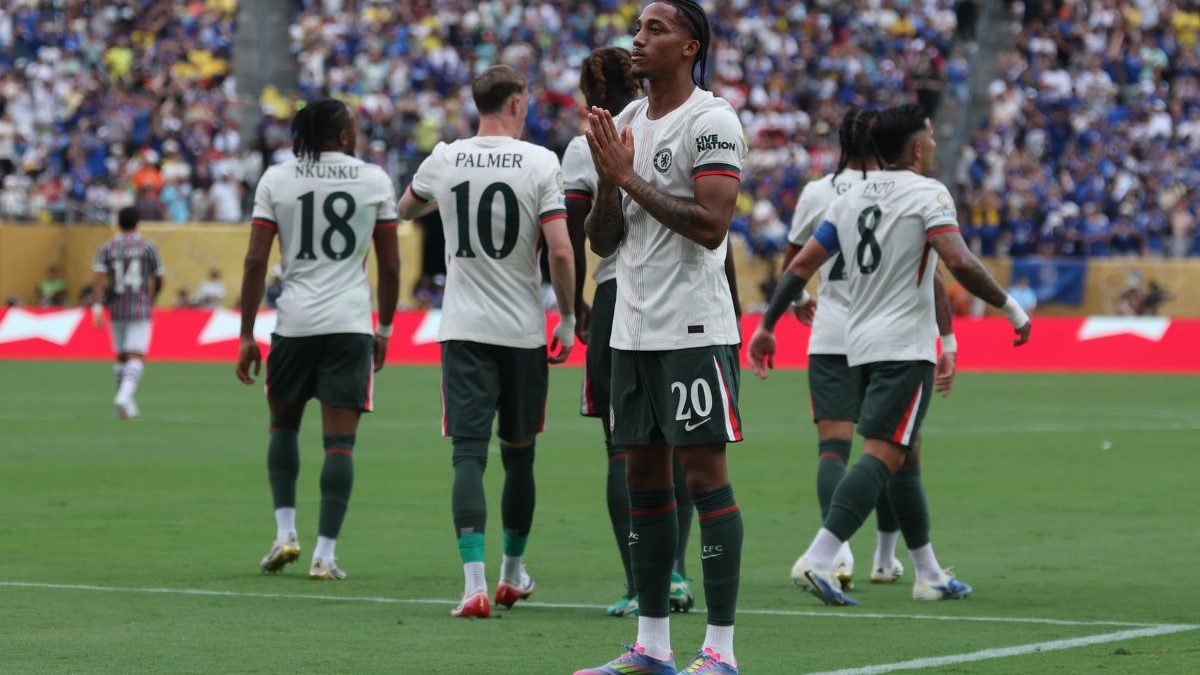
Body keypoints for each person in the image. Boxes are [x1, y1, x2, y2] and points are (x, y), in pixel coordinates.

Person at [748, 104, 1031, 607]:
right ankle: (820, 556)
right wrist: (1010, 307)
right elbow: (957, 261)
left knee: (903, 452)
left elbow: (801, 264)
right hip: (904, 345)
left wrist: (768, 325)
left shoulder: (848, 197)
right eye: (930, 137)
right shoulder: (928, 194)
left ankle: (926, 572)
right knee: (884, 454)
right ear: (919, 146)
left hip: (857, 343)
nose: (934, 144)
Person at [576, 2, 747, 673]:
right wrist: (609, 186)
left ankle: (722, 651)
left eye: (655, 29)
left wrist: (627, 177)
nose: (638, 40)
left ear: (689, 47)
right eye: (637, 28)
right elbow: (602, 240)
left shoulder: (712, 120)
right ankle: (651, 646)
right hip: (632, 327)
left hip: (695, 324)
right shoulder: (622, 124)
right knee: (644, 477)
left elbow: (710, 224)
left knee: (704, 476)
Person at [396, 64, 576, 620]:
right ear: (518, 102)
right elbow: (562, 252)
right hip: (522, 331)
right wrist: (567, 319)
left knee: (468, 455)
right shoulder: (542, 162)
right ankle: (511, 573)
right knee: (520, 458)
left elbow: (404, 210)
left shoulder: (445, 157)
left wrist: (441, 205)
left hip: (465, 329)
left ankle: (473, 585)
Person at [784, 106, 964, 597]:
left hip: (832, 332)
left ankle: (865, 559)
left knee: (839, 448)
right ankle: (877, 559)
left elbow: (796, 262)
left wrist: (791, 306)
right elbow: (937, 270)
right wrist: (950, 338)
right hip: (891, 334)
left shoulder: (820, 194)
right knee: (894, 448)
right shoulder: (908, 193)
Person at [236, 99, 401, 582]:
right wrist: (386, 328)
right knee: (340, 444)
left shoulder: (277, 179)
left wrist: (246, 334)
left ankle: (285, 533)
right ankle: (325, 556)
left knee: (282, 427)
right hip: (349, 324)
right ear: (346, 137)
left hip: (294, 323)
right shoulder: (373, 180)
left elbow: (253, 262)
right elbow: (390, 264)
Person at [567, 45, 699, 619]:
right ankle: (676, 573)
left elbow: (581, 236)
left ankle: (636, 580)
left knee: (623, 449)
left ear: (587, 95)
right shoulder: (679, 126)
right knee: (686, 443)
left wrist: (575, 303)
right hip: (690, 291)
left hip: (620, 294)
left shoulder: (584, 147)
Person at [91, 207, 165, 420]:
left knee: (122, 356)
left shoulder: (106, 247)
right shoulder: (148, 247)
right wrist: (153, 296)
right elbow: (159, 277)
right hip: (140, 305)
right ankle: (123, 397)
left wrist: (97, 307)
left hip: (116, 306)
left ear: (118, 223)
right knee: (136, 356)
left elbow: (98, 280)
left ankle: (125, 408)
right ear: (137, 223)